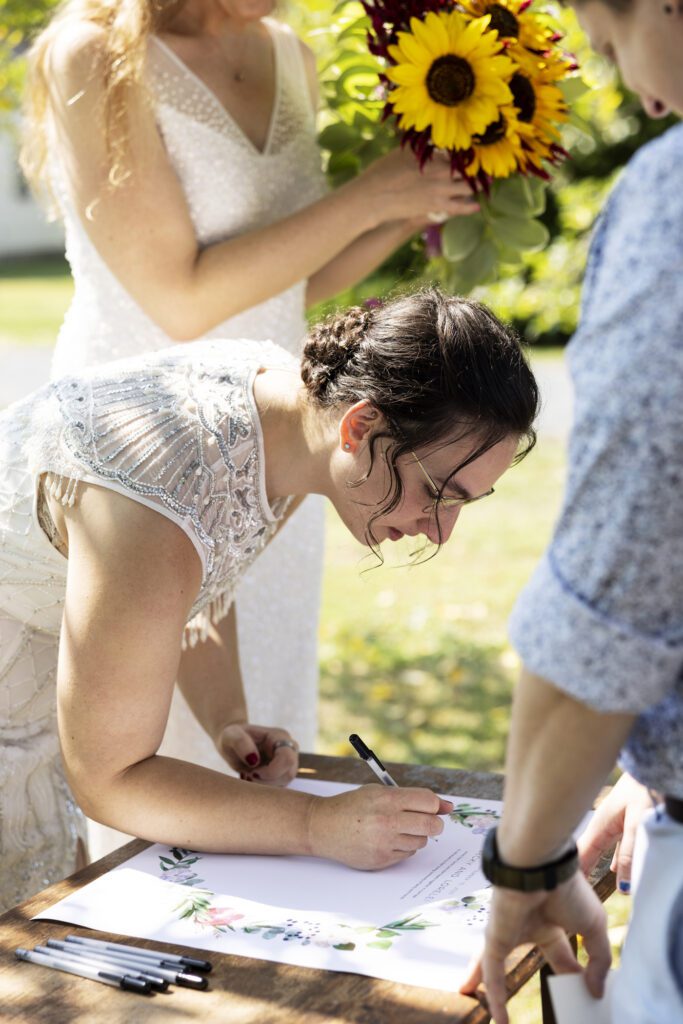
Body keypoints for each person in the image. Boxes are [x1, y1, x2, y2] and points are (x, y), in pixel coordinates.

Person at [19, 0, 478, 859]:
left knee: (254, 732)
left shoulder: (289, 54)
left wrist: (409, 208)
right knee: (135, 753)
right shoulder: (93, 55)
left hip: (279, 443)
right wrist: (370, 192)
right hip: (145, 450)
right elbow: (180, 295)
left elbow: (292, 287)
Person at [0, 287, 538, 914]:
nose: (441, 531)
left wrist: (228, 715)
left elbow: (200, 570)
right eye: (436, 492)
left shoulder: (285, 421)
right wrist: (316, 824)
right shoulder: (152, 500)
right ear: (359, 426)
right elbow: (110, 781)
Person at [459, 2, 683, 1022]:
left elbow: (613, 601)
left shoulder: (671, 205)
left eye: (602, 35)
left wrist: (524, 862)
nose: (632, 88)